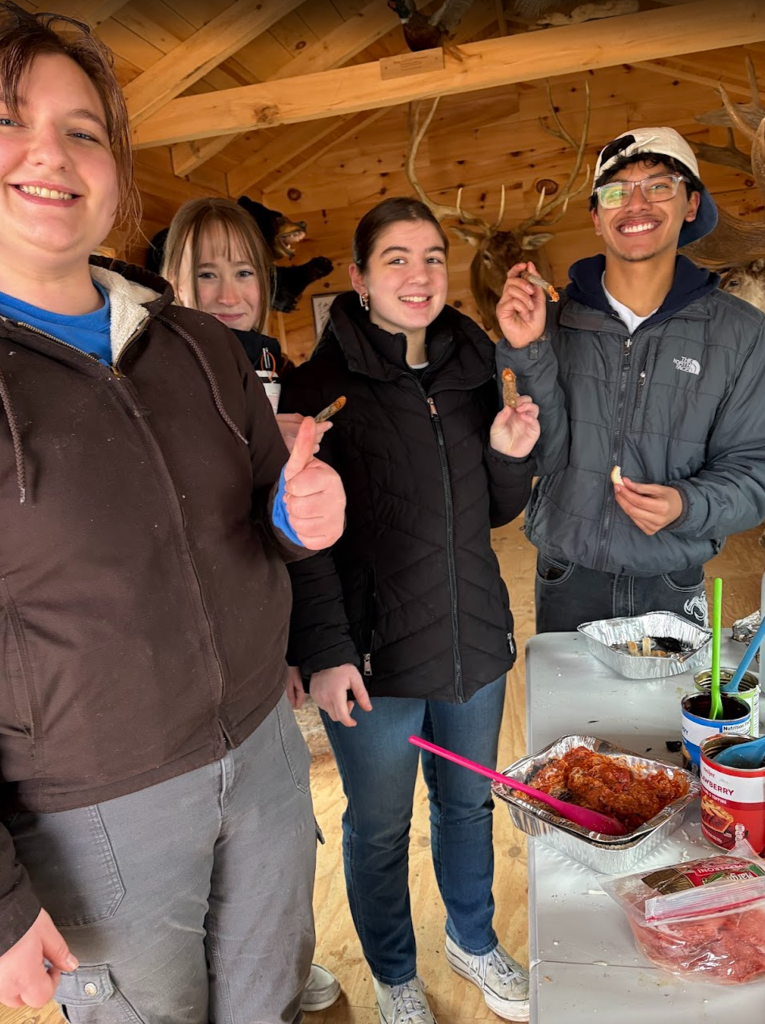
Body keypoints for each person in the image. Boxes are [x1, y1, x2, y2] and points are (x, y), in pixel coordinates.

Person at [0, 5, 346, 1021]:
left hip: (265, 750)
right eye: (9, 121)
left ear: (115, 171)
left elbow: (262, 517)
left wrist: (301, 513)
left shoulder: (196, 342)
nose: (49, 154)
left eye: (82, 130)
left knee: (271, 1003)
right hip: (96, 810)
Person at [280, 196, 539, 1024]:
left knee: (466, 805)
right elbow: (301, 542)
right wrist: (325, 651)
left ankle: (471, 937)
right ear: (359, 279)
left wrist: (508, 458)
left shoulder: (473, 364)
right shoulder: (318, 389)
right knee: (380, 825)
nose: (418, 274)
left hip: (472, 640)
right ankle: (393, 972)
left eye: (431, 256)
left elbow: (494, 511)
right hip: (373, 655)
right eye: (395, 258)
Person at [161, 195, 341, 1013]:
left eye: (243, 272)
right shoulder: (152, 374)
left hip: (258, 637)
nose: (228, 292)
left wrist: (300, 647)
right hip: (180, 655)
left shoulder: (273, 370)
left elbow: (291, 534)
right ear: (172, 281)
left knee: (273, 828)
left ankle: (271, 968)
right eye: (206, 274)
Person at [496, 127, 765, 633]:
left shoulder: (743, 334)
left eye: (659, 186)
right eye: (616, 192)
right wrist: (526, 348)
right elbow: (540, 456)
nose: (636, 204)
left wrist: (687, 504)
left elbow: (755, 470)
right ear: (598, 218)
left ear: (691, 205)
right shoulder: (552, 318)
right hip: (565, 575)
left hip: (671, 578)